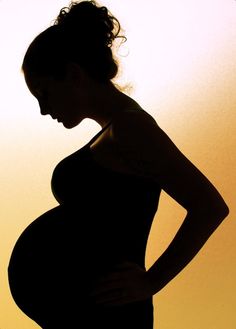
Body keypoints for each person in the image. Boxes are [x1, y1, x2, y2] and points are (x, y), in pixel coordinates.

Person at [8, 1, 229, 328]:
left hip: (112, 315)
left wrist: (152, 281)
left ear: (73, 75)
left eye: (44, 93)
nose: (43, 109)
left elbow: (210, 207)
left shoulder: (130, 128)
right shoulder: (115, 131)